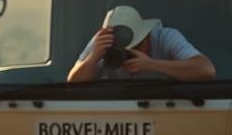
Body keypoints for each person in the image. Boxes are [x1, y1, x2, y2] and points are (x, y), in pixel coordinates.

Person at [67, 5, 216, 83]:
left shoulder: (166, 37)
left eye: (135, 46)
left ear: (147, 35)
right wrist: (94, 58)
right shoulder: (103, 43)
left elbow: (206, 71)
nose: (128, 55)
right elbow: (72, 84)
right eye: (122, 51)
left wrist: (152, 64)